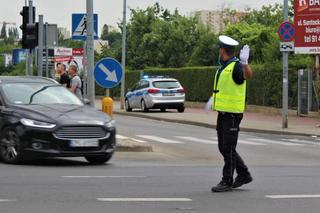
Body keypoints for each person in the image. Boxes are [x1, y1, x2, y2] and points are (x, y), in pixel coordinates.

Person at [211, 35, 253, 192]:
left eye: (219, 49)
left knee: (228, 148)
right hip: (223, 113)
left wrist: (245, 64)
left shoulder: (236, 66)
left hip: (232, 114)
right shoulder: (224, 66)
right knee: (224, 147)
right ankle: (243, 174)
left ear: (222, 50)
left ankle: (227, 180)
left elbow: (247, 76)